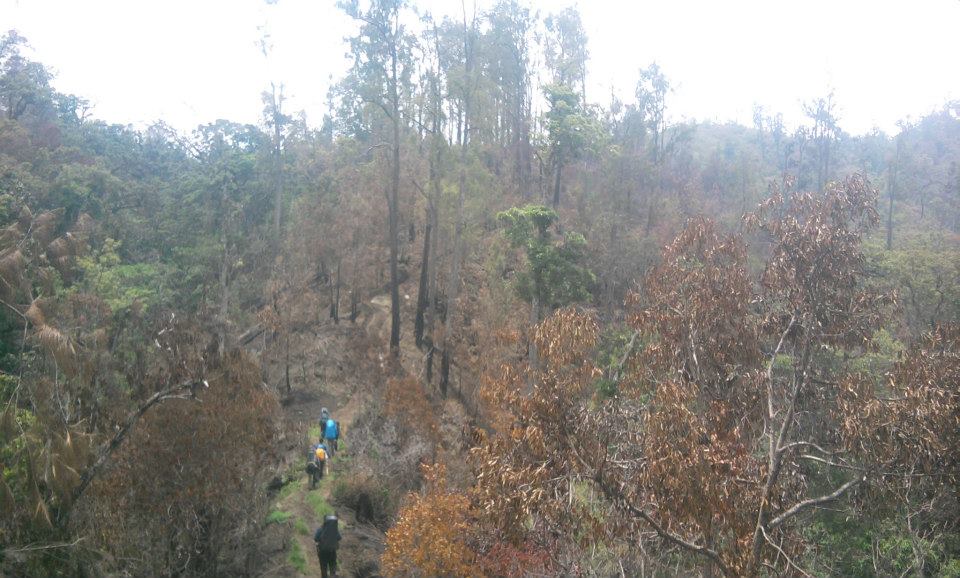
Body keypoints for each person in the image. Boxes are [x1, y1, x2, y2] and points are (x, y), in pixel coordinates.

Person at [314, 514, 341, 578]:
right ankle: (333, 575)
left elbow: (315, 538)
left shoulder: (320, 529)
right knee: (332, 565)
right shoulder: (335, 530)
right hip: (332, 551)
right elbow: (339, 538)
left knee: (323, 567)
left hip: (322, 551)